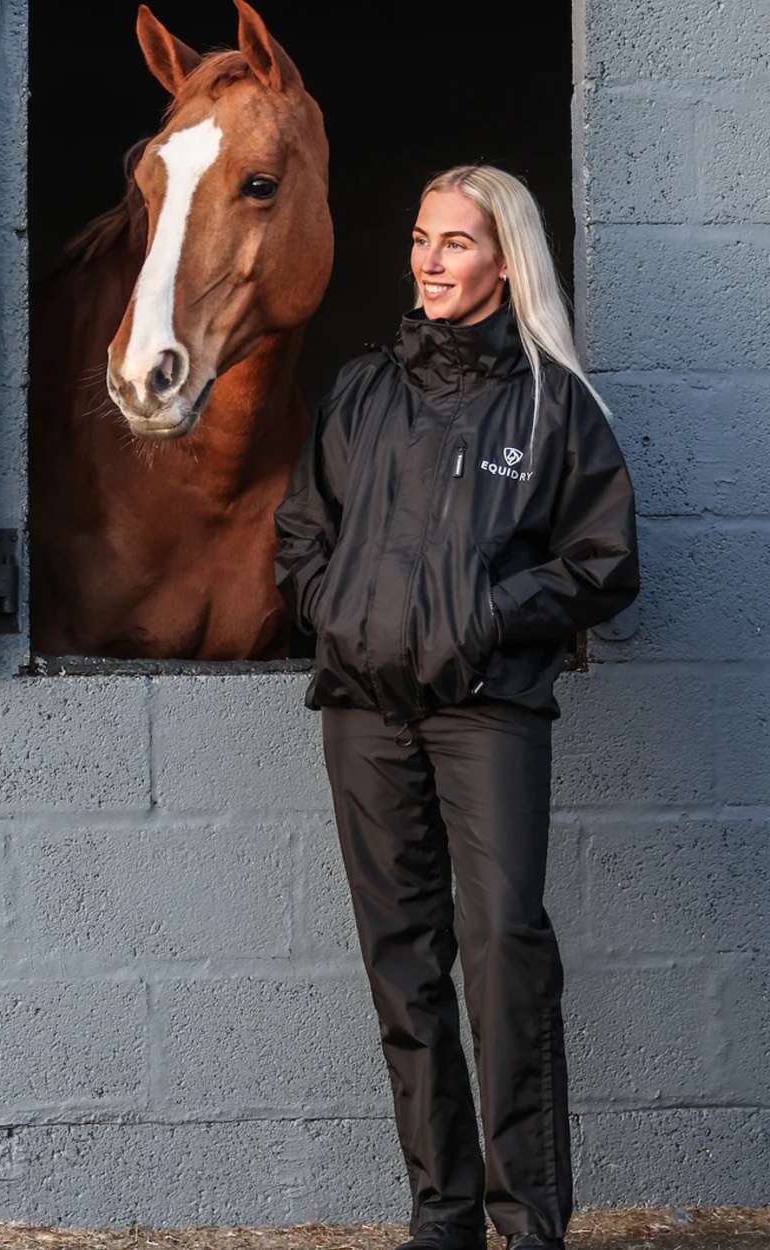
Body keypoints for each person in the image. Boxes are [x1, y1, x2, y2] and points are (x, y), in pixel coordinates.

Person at [272, 165, 640, 1250]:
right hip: (362, 710)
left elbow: (604, 562)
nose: (428, 260)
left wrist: (480, 615)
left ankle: (526, 1220)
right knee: (402, 961)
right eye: (422, 239)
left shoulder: (549, 404)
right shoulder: (360, 391)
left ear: (503, 259)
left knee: (503, 949)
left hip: (487, 714)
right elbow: (301, 534)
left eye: (455, 242)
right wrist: (337, 611)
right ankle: (441, 1213)